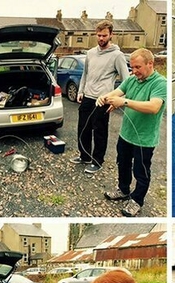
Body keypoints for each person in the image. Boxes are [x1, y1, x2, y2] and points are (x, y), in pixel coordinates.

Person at [97, 48, 167, 217]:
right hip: (126, 134)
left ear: (150, 64)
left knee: (141, 172)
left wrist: (124, 102)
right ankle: (123, 189)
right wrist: (105, 97)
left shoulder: (160, 83)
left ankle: (137, 200)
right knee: (123, 163)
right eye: (132, 67)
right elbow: (117, 92)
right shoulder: (131, 79)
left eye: (137, 67)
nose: (134, 71)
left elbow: (153, 107)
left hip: (144, 139)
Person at [69, 20, 130, 174]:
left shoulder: (117, 55)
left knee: (100, 131)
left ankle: (97, 161)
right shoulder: (90, 53)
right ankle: (84, 156)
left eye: (104, 35)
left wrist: (118, 101)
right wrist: (81, 91)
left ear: (111, 35)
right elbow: (86, 73)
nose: (101, 38)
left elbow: (126, 80)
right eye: (99, 35)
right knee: (83, 129)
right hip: (87, 97)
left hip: (103, 99)